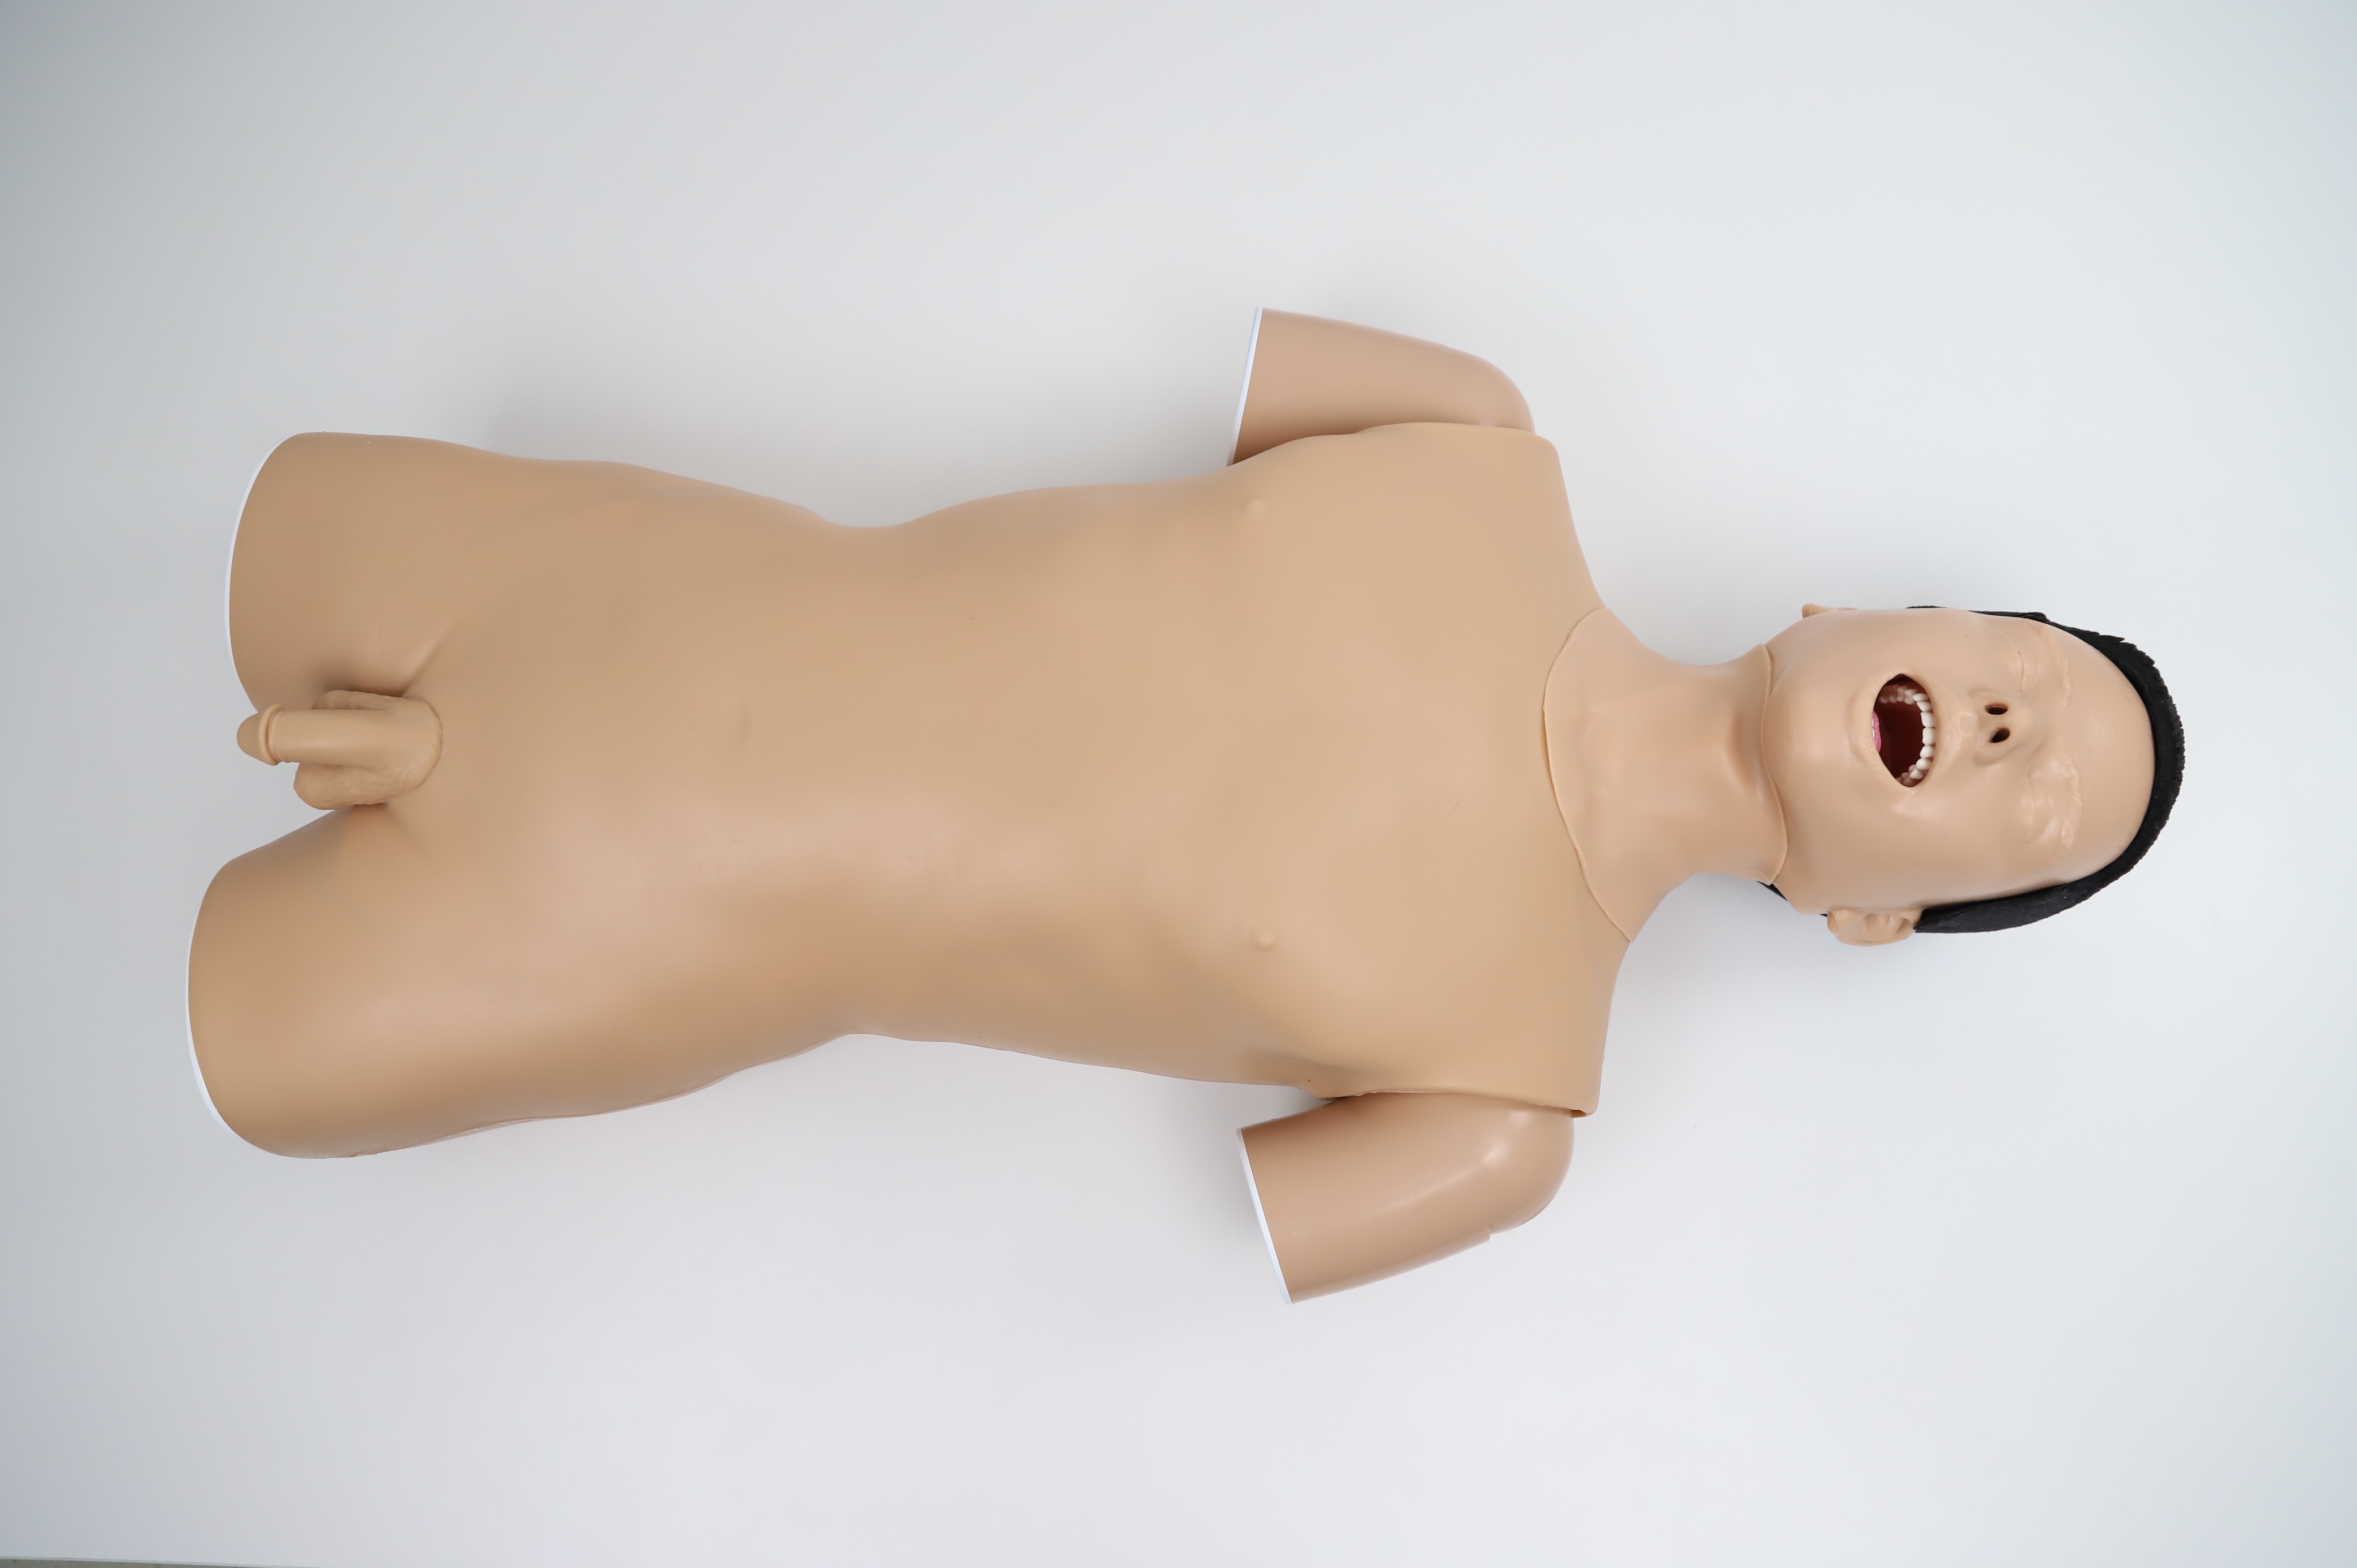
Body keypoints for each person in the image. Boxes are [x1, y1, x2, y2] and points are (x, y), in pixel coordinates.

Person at [189, 310, 2181, 1300]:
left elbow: (1256, 1237)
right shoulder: (1467, 434)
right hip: (592, 573)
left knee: (245, 1041)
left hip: (604, 940)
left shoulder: (1505, 1118)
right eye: (2020, 667)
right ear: (1857, 613)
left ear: (1870, 922)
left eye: (2036, 806)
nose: (2012, 725)